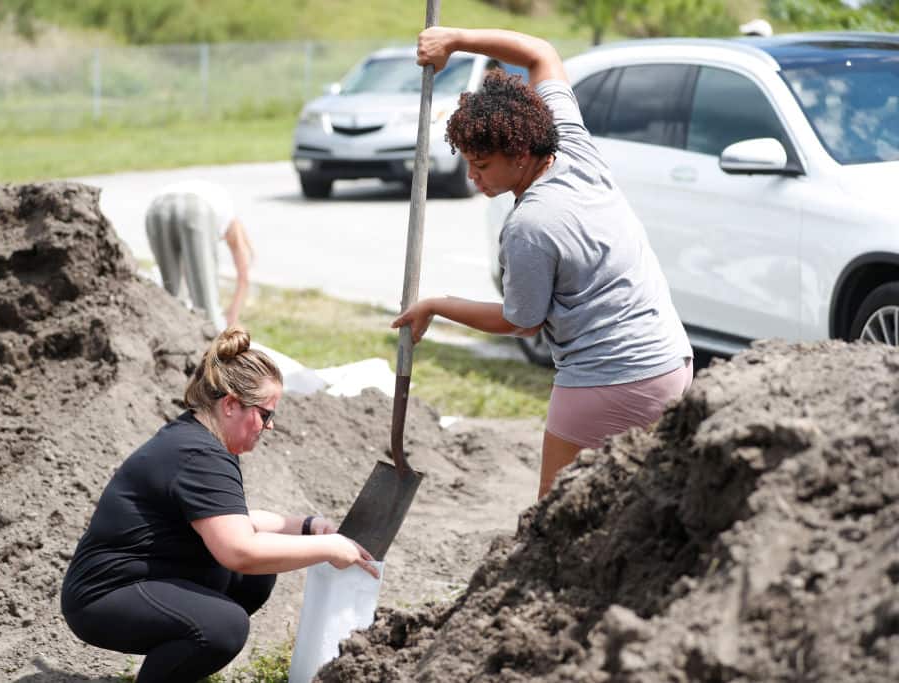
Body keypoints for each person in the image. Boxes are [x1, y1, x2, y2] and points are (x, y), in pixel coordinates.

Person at [393, 28, 694, 500]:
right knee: (639, 510)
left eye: (483, 165)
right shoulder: (573, 147)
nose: (473, 178)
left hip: (606, 377)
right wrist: (456, 39)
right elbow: (541, 53)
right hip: (669, 363)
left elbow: (522, 322)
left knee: (552, 518)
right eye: (468, 163)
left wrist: (438, 304)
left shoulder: (530, 225)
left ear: (519, 153)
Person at [61, 326, 377, 683]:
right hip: (103, 596)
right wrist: (328, 547)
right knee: (223, 626)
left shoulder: (198, 440)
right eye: (266, 414)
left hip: (137, 580)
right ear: (230, 404)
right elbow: (239, 550)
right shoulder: (199, 455)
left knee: (252, 579)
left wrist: (305, 526)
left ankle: (175, 665)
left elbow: (231, 521)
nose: (269, 427)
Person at [145, 179, 253, 330]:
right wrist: (232, 315)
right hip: (196, 209)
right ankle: (215, 347)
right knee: (206, 307)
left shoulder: (216, 201)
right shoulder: (230, 220)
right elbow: (244, 275)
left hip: (156, 209)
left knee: (172, 300)